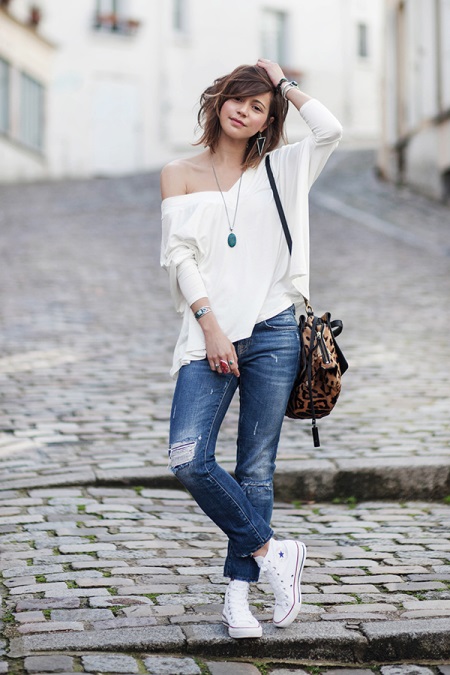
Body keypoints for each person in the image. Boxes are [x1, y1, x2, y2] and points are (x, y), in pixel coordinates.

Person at [160, 59, 342, 638]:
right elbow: (180, 257)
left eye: (258, 105)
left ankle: (238, 597)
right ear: (218, 102)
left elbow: (331, 129)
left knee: (255, 469)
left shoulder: (284, 168)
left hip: (274, 331)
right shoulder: (178, 173)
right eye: (238, 98)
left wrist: (284, 84)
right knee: (188, 458)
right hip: (209, 333)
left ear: (268, 120)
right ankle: (273, 553)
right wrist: (211, 326)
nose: (244, 110)